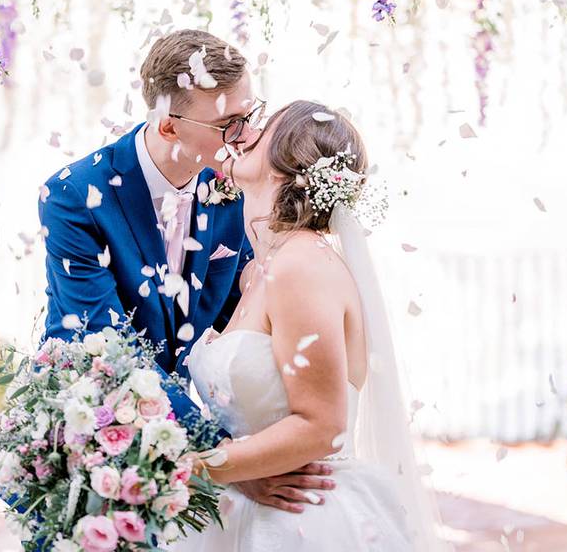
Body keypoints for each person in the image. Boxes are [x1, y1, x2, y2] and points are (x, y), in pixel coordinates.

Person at [26, 30, 335, 515]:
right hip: (92, 443)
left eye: (251, 115)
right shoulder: (72, 198)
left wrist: (277, 439)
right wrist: (226, 461)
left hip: (184, 446)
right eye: (230, 123)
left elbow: (252, 322)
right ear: (170, 127)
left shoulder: (237, 187)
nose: (249, 136)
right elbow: (113, 352)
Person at [172, 100, 450, 551]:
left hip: (300, 522)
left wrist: (195, 467)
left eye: (261, 131)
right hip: (244, 507)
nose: (243, 134)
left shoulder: (302, 265)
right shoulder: (259, 271)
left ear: (286, 163)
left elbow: (321, 425)